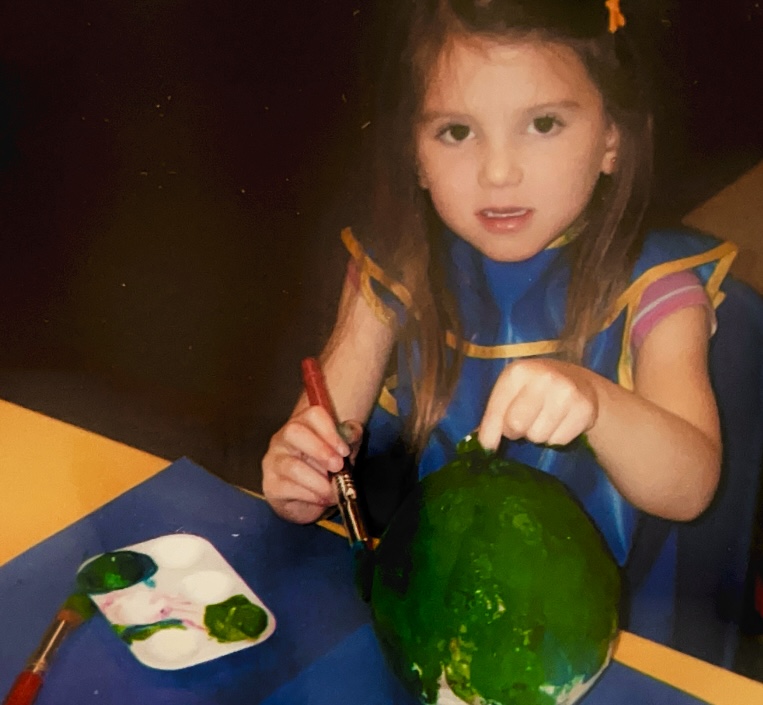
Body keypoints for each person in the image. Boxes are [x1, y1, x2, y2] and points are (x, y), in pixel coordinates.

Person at [262, 0, 737, 641]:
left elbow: (691, 486)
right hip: (441, 607)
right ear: (416, 156)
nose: (498, 172)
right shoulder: (393, 272)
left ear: (611, 141)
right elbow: (317, 443)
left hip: (595, 629)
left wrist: (595, 400)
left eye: (542, 123)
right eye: (456, 132)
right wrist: (297, 474)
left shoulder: (654, 286)